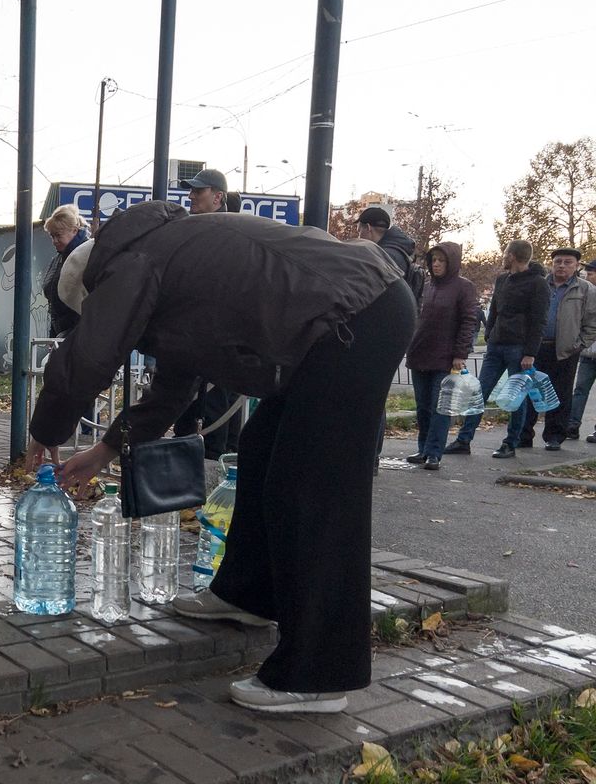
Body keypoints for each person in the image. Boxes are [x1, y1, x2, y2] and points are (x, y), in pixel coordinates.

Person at [28, 202, 414, 713]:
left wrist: (45, 432)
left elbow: (89, 356)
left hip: (353, 317)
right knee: (260, 452)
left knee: (312, 490)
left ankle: (318, 674)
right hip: (340, 320)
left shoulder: (131, 265)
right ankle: (247, 596)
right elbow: (176, 383)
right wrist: (105, 449)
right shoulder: (163, 259)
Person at [444, 240, 548, 459]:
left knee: (515, 398)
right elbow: (495, 311)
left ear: (512, 256)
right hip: (497, 345)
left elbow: (539, 321)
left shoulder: (538, 283)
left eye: (505, 253)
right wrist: (490, 333)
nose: (503, 256)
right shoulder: (502, 279)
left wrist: (530, 352)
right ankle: (464, 439)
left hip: (519, 348)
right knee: (480, 392)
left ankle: (511, 442)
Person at [174, 167, 241, 459]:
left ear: (218, 197)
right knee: (193, 406)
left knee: (214, 405)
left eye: (198, 191)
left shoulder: (229, 232)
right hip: (195, 334)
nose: (191, 196)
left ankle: (213, 464)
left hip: (219, 335)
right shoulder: (199, 229)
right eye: (191, 190)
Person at [402, 242, 478, 471]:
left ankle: (434, 452)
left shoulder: (464, 287)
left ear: (451, 262)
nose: (436, 264)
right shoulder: (427, 286)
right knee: (422, 406)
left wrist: (460, 353)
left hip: (445, 358)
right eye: (433, 260)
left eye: (441, 260)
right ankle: (423, 448)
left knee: (439, 407)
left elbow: (468, 322)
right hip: (420, 353)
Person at [357, 206, 420, 471]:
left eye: (359, 230)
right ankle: (369, 457)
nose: (359, 235)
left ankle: (367, 458)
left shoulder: (386, 255)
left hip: (377, 338)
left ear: (368, 229)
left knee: (370, 398)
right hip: (389, 336)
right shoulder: (400, 252)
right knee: (375, 397)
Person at [518, 248, 596, 450]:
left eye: (567, 262)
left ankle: (554, 436)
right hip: (535, 349)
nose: (561, 266)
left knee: (560, 394)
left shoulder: (586, 290)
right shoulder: (539, 285)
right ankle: (523, 435)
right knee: (530, 391)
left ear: (576, 266)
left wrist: (579, 345)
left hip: (565, 350)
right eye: (558, 261)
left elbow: (592, 322)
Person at [41, 205, 89, 338]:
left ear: (74, 231)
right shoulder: (59, 259)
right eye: (52, 236)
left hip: (78, 331)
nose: (54, 241)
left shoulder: (87, 255)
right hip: (62, 330)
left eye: (58, 235)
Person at [567, 260, 596, 443]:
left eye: (591, 274)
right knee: (580, 389)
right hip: (588, 354)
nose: (587, 276)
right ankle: (572, 425)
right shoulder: (583, 293)